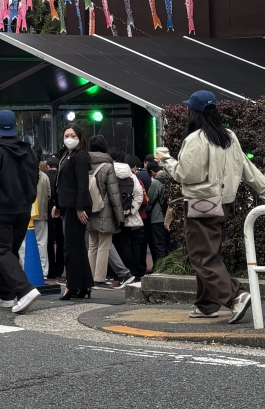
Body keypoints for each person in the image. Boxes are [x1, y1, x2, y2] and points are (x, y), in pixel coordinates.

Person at [157, 90, 265, 323]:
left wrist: (166, 160)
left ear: (193, 112)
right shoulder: (228, 136)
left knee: (201, 257)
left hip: (201, 204)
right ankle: (206, 305)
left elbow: (186, 174)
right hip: (224, 203)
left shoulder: (196, 138)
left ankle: (235, 296)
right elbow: (248, 169)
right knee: (209, 253)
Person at [0, 111, 41, 313]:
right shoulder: (29, 151)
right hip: (23, 209)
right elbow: (35, 178)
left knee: (0, 250)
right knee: (9, 250)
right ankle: (5, 294)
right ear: (14, 127)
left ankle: (25, 289)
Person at [52, 123, 93, 299]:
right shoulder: (66, 156)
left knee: (71, 248)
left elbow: (82, 185)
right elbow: (62, 183)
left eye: (73, 136)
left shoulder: (80, 156)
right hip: (68, 205)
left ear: (80, 137)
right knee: (77, 247)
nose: (69, 139)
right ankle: (83, 285)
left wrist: (80, 207)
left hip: (77, 207)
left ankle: (72, 286)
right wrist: (57, 204)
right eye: (66, 136)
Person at [86, 136, 124, 286]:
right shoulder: (108, 167)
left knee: (92, 245)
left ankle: (89, 276)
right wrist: (120, 216)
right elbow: (114, 194)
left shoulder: (85, 164)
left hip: (89, 210)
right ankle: (99, 278)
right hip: (105, 211)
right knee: (104, 245)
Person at [111, 147, 145, 280]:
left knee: (119, 245)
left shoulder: (109, 173)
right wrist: (131, 210)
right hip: (131, 217)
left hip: (115, 217)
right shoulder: (132, 175)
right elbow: (139, 195)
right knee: (134, 246)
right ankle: (134, 272)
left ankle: (122, 274)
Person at [147, 161, 169, 265]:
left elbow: (150, 199)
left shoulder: (156, 182)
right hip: (170, 217)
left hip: (158, 217)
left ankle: (161, 267)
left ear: (152, 172)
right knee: (170, 244)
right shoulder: (170, 179)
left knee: (159, 244)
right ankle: (170, 267)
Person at [45, 156, 64, 280]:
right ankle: (60, 268)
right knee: (61, 240)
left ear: (48, 166)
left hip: (48, 211)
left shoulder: (44, 176)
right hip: (60, 210)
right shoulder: (61, 177)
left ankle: (51, 268)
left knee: (49, 241)